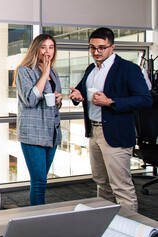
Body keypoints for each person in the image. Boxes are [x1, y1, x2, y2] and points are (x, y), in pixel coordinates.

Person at [69, 27, 153, 212]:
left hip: (116, 134)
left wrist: (110, 102)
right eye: (92, 48)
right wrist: (77, 95)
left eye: (101, 47)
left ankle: (131, 229)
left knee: (121, 186)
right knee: (101, 182)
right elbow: (82, 91)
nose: (96, 52)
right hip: (94, 132)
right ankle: (107, 224)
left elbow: (145, 99)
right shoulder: (91, 69)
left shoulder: (128, 69)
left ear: (112, 47)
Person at [14, 33, 62, 206]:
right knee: (39, 181)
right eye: (43, 47)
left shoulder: (54, 73)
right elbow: (31, 99)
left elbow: (53, 103)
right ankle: (38, 221)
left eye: (51, 47)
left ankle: (38, 217)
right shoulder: (24, 70)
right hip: (33, 133)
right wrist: (44, 74)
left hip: (51, 133)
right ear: (36, 49)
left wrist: (58, 99)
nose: (47, 51)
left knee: (42, 180)